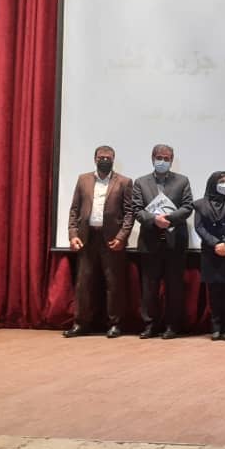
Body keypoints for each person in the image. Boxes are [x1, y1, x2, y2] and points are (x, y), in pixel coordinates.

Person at [64, 145, 134, 338]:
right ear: (94, 159)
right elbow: (74, 210)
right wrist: (73, 235)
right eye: (101, 157)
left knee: (114, 284)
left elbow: (129, 213)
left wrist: (121, 237)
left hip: (112, 240)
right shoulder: (83, 179)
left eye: (108, 158)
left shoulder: (124, 182)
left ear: (113, 159)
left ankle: (115, 324)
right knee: (83, 283)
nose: (104, 160)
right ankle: (80, 323)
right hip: (87, 238)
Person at [132, 144, 194, 339]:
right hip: (150, 242)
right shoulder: (140, 182)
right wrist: (154, 220)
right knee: (149, 287)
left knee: (174, 286)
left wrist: (168, 219)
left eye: (167, 158)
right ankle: (150, 325)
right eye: (159, 157)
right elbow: (136, 209)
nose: (163, 161)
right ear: (152, 158)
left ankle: (172, 326)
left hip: (175, 242)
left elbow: (188, 207)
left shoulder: (182, 181)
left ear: (172, 160)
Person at [194, 171, 225, 340]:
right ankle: (216, 326)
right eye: (221, 181)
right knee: (214, 290)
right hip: (211, 251)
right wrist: (215, 243)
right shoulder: (200, 204)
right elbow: (199, 227)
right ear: (212, 184)